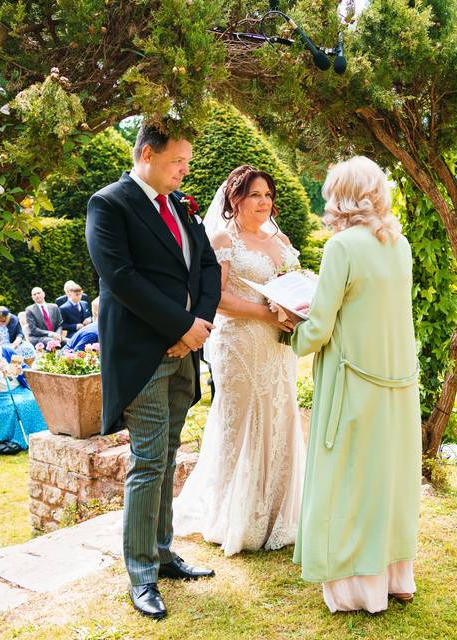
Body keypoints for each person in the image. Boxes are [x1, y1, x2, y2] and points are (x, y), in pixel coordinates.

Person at [86, 122, 222, 620]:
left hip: (185, 349)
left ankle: (163, 553)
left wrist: (199, 324)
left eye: (186, 161)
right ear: (147, 154)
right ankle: (141, 574)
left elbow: (207, 266)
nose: (185, 170)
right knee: (146, 462)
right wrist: (181, 326)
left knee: (168, 453)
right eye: (177, 162)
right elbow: (120, 278)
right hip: (145, 355)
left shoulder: (181, 205)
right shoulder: (109, 204)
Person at [288, 156, 421, 613]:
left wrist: (290, 328)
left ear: (339, 197)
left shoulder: (341, 247)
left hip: (354, 382)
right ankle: (397, 577)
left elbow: (319, 326)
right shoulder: (398, 243)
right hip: (398, 382)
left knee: (349, 480)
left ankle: (357, 590)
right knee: (389, 480)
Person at [173, 165, 305, 556]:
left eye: (267, 195)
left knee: (279, 416)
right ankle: (237, 515)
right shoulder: (222, 239)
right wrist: (267, 313)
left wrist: (295, 309)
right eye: (255, 195)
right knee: (243, 422)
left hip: (276, 343)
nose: (264, 202)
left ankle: (278, 512)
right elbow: (217, 298)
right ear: (235, 199)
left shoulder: (277, 238)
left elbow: (293, 281)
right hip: (240, 344)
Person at [0, 328, 48, 450]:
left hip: (19, 390)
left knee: (31, 401)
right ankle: (17, 441)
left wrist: (20, 371)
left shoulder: (8, 350)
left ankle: (37, 437)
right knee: (11, 408)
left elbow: (25, 368)